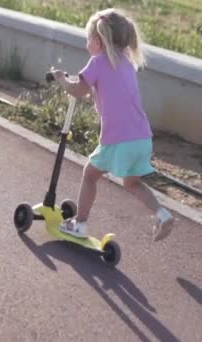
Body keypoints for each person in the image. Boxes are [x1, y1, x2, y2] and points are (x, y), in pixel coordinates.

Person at [50, 8, 174, 242]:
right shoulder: (127, 60)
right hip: (142, 138)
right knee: (132, 183)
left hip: (119, 140)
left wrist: (61, 80)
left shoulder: (97, 62)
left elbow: (77, 91)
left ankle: (80, 224)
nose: (87, 45)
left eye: (88, 40)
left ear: (97, 42)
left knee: (89, 175)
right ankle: (162, 214)